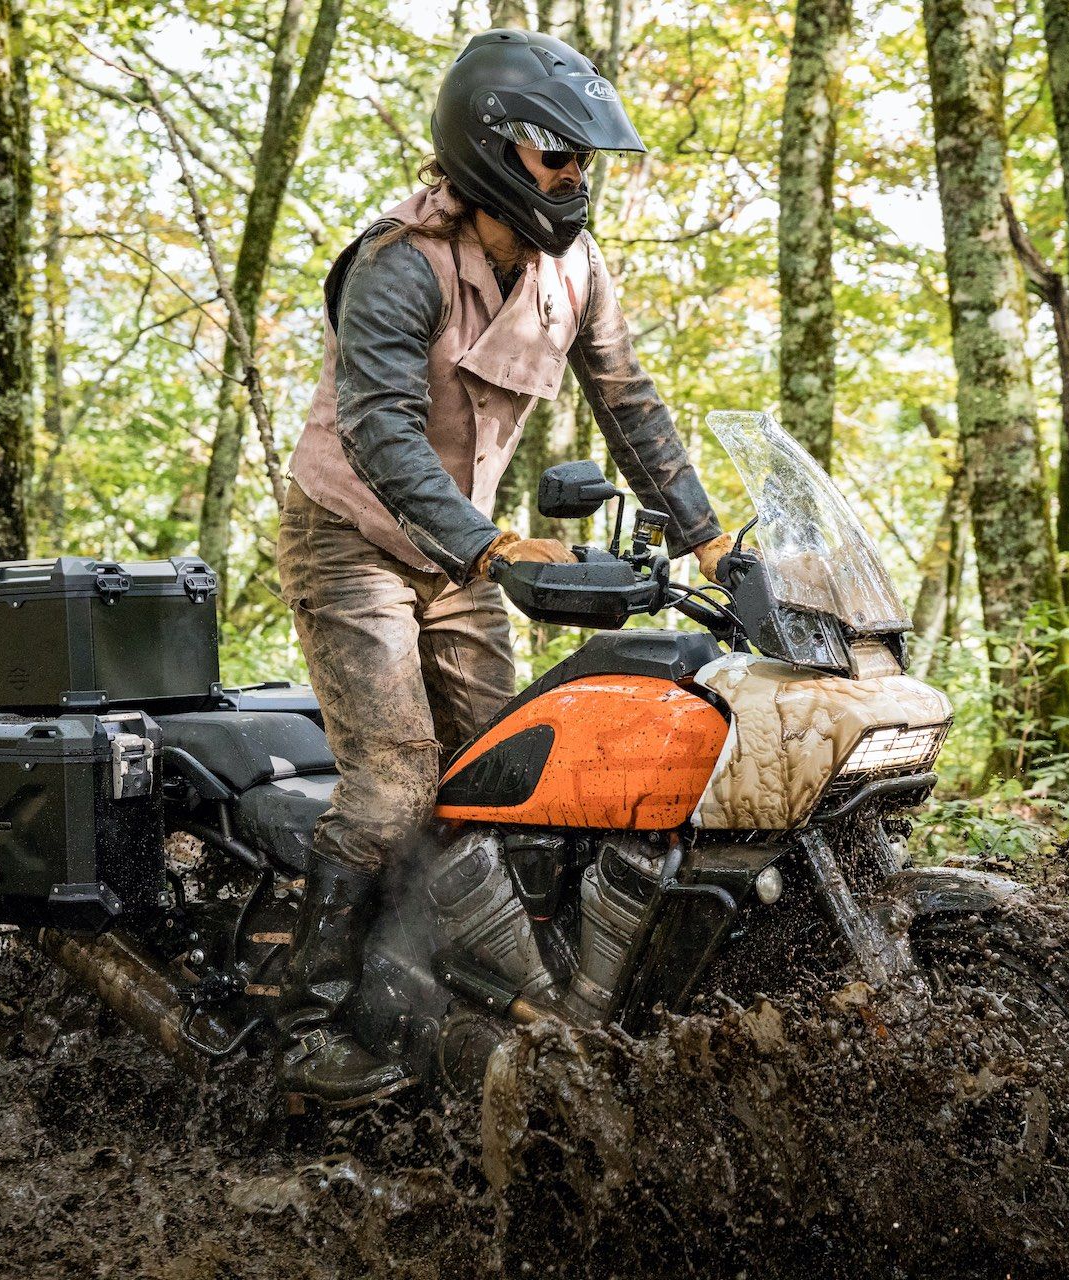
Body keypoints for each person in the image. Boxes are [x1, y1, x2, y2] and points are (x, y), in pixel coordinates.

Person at [273, 27, 736, 1107]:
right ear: (490, 150)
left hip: (461, 550)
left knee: (514, 778)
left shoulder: (573, 270)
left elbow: (629, 402)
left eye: (583, 160)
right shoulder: (400, 263)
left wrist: (711, 536)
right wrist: (493, 544)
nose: (577, 178)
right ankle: (311, 1016)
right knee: (395, 780)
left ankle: (466, 981)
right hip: (351, 539)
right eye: (556, 155)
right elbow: (381, 432)